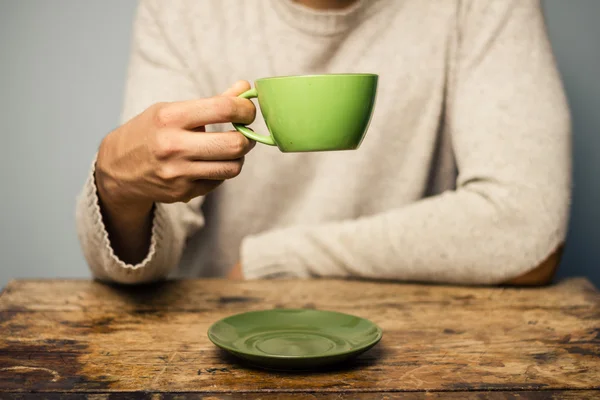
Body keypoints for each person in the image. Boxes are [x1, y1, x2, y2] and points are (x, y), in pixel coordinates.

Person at [76, 0, 571, 286]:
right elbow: (138, 266)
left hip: (414, 348)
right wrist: (120, 193)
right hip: (221, 347)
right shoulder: (182, 10)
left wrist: (279, 259)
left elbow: (528, 229)